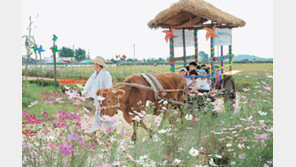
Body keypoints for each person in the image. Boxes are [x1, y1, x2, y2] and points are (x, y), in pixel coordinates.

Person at [82, 56, 113, 131]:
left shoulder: (106, 75)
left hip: (104, 100)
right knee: (101, 116)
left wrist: (101, 92)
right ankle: (108, 131)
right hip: (97, 99)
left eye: (94, 63)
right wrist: (85, 92)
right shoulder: (94, 74)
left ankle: (96, 132)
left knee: (103, 116)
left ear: (98, 65)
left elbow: (109, 88)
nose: (93, 65)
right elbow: (89, 84)